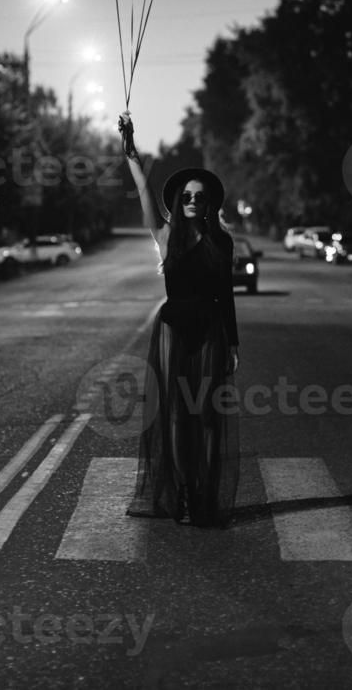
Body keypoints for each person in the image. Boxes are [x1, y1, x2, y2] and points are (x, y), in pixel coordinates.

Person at [118, 112, 240, 528]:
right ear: (179, 200)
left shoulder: (222, 242)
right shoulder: (165, 235)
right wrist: (131, 149)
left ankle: (204, 494)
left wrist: (234, 343)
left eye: (199, 196)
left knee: (205, 415)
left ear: (209, 203)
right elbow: (142, 188)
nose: (192, 200)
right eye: (186, 195)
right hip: (171, 331)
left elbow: (227, 296)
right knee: (173, 414)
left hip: (210, 331)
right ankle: (183, 495)